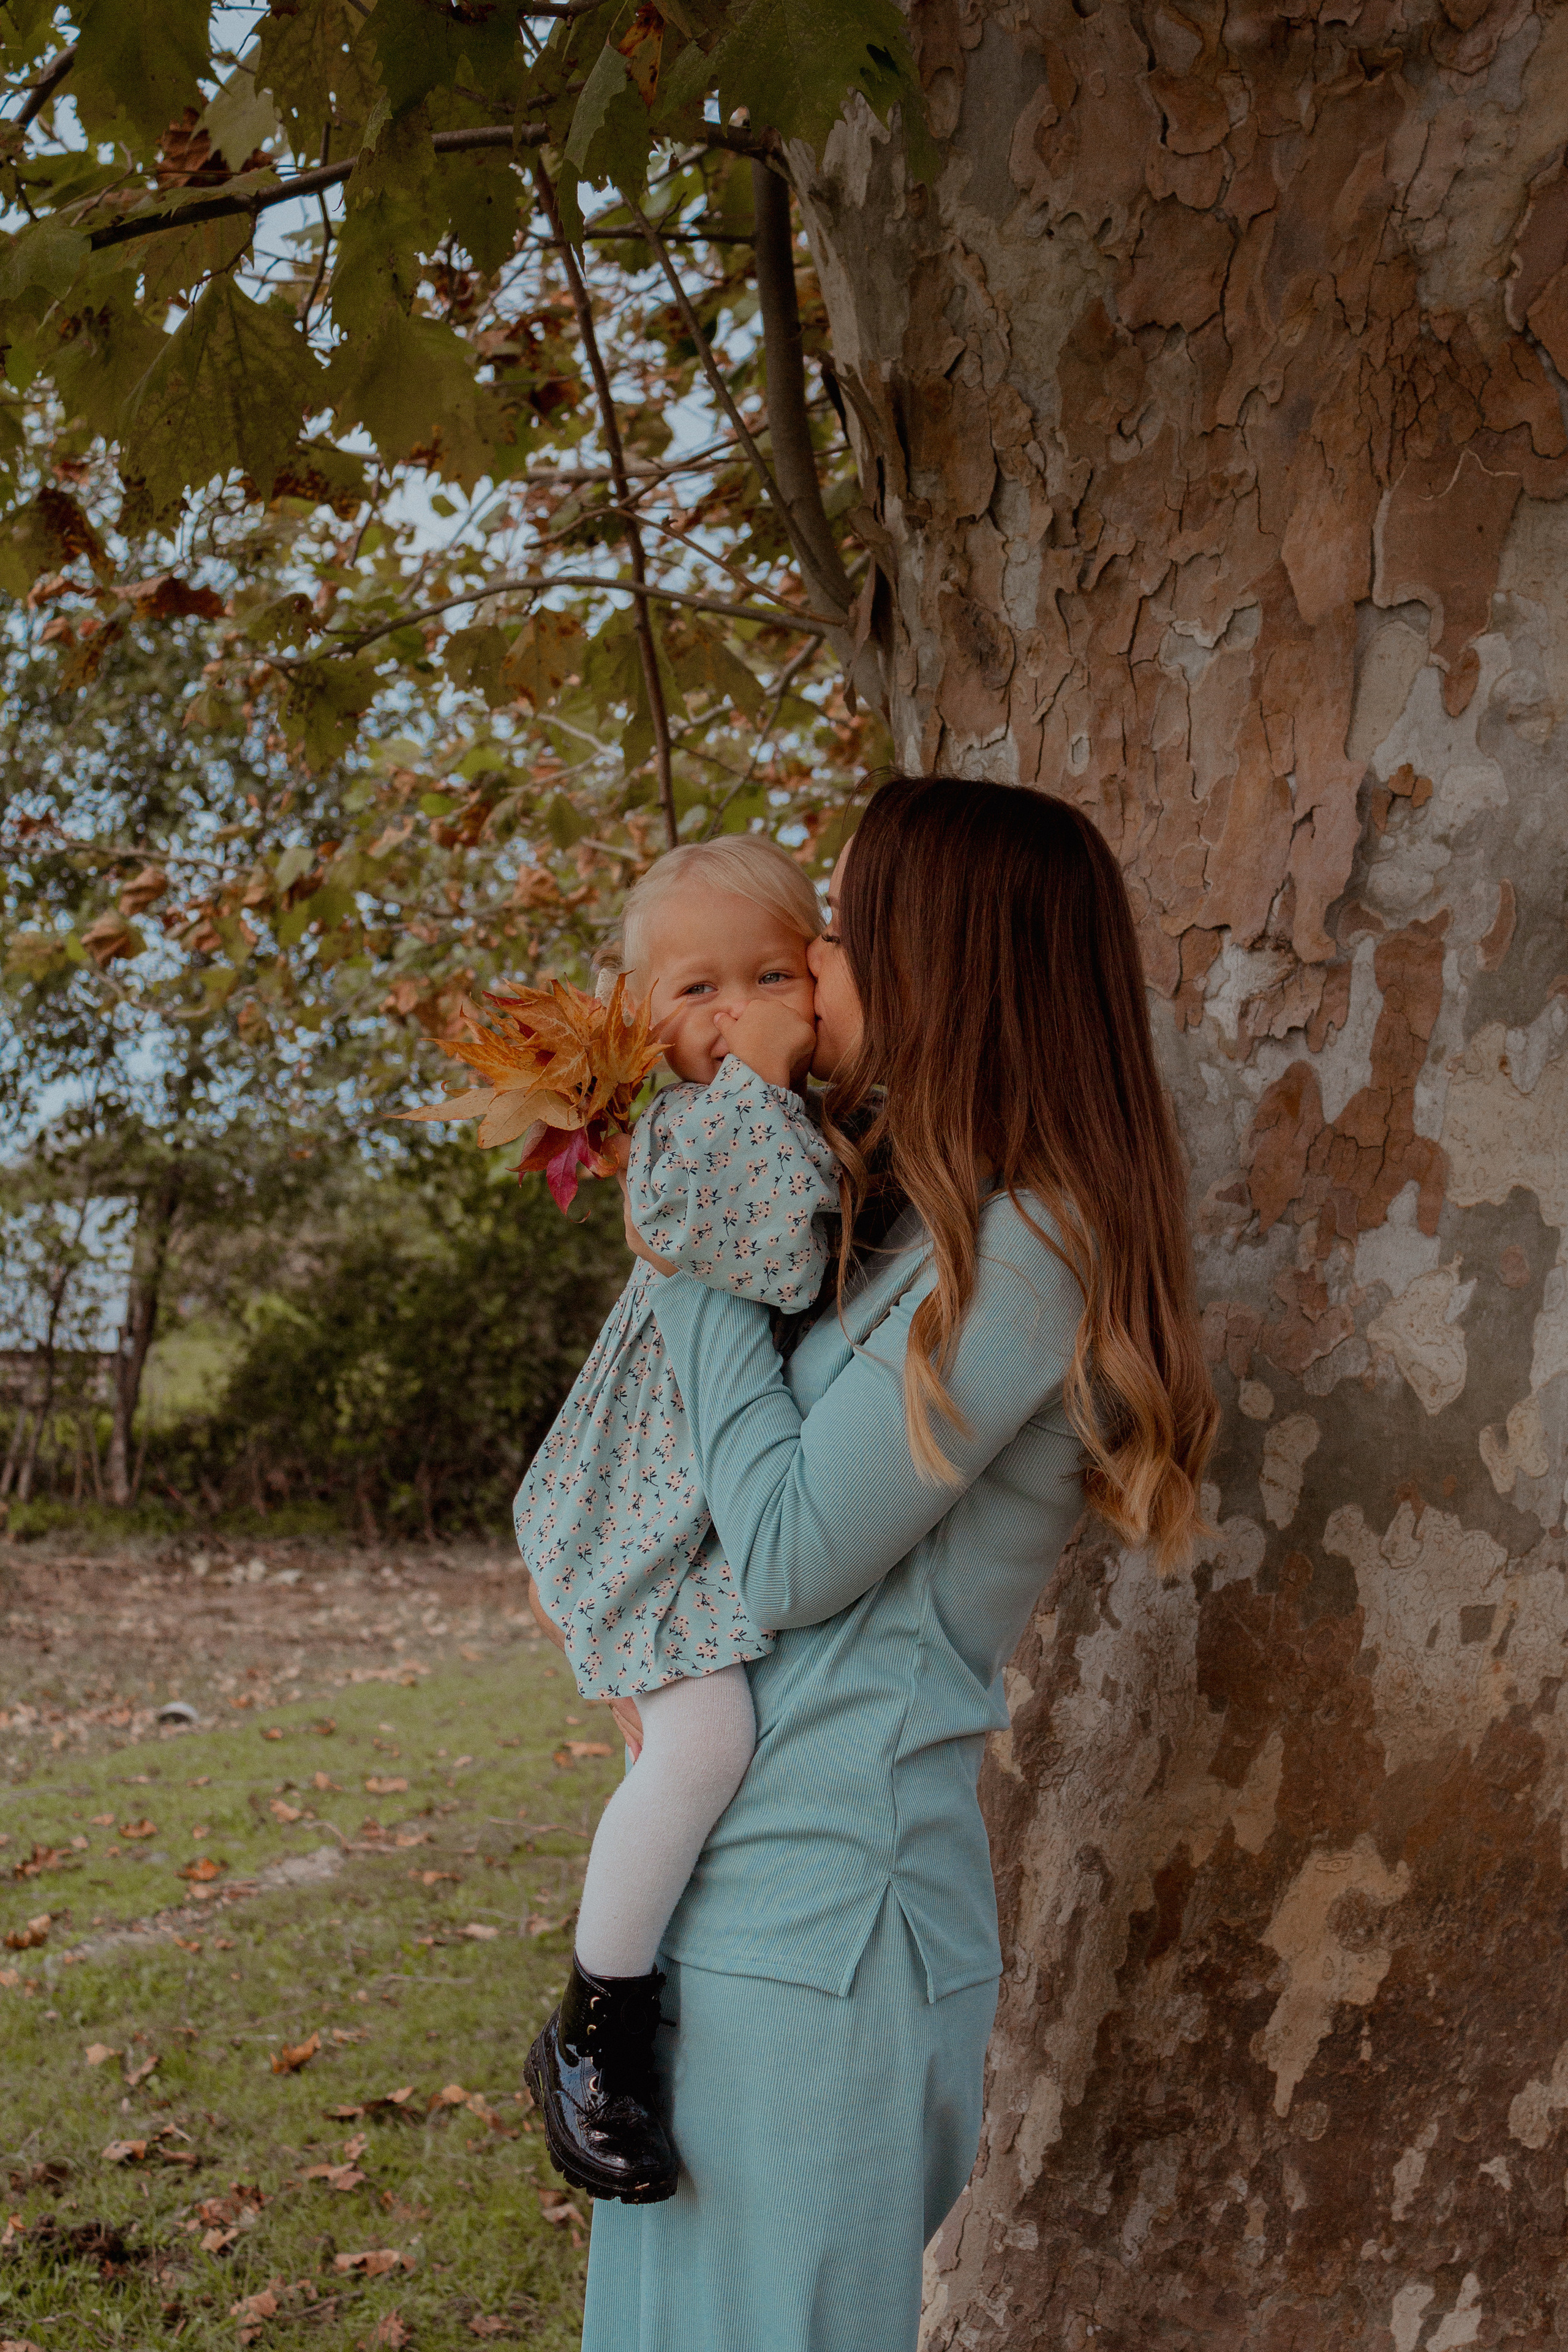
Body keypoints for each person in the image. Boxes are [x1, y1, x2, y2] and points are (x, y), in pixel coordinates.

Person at [584, 774, 1218, 2352]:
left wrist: (692, 1244)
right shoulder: (917, 1222)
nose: (809, 968)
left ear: (949, 960)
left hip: (831, 1927)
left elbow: (787, 1549)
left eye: (850, 932)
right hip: (741, 1898)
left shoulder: (1035, 1247)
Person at [519, 834, 839, 2203]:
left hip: (682, 1520)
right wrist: (760, 1073)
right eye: (697, 988)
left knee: (690, 1744)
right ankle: (594, 2029)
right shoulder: (689, 1132)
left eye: (770, 975)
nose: (733, 1012)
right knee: (704, 1741)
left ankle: (623, 1994)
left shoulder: (781, 1117)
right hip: (627, 1518)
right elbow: (762, 1247)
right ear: (643, 1016)